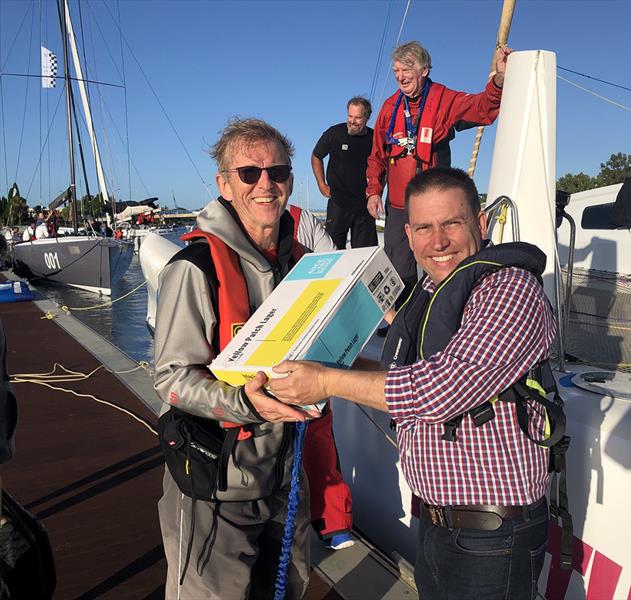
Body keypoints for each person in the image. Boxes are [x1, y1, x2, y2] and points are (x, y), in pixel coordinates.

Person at [271, 167, 557, 599]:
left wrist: (327, 381)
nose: (437, 241)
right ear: (408, 233)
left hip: (492, 537)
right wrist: (321, 365)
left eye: (452, 223)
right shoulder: (434, 289)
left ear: (481, 224)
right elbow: (406, 372)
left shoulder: (509, 289)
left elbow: (444, 387)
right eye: (424, 227)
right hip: (440, 529)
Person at [154, 117, 352, 599]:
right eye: (249, 173)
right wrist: (246, 402)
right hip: (217, 487)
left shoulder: (305, 268)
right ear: (224, 184)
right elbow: (171, 380)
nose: (266, 184)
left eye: (278, 172)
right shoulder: (193, 269)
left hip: (286, 481)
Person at [365, 41, 512, 311]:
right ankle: (401, 321)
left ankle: (449, 312)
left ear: (425, 70)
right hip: (399, 206)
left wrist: (500, 80)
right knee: (399, 266)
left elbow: (482, 107)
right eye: (396, 69)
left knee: (443, 258)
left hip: (434, 207)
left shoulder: (444, 99)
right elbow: (377, 156)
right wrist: (374, 191)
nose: (400, 75)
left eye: (407, 68)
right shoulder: (388, 108)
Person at [312, 97, 377, 249]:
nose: (352, 121)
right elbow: (316, 156)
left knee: (365, 252)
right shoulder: (334, 133)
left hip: (365, 206)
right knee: (333, 250)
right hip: (338, 203)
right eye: (350, 116)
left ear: (367, 117)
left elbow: (384, 166)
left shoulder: (374, 139)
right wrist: (321, 184)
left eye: (358, 117)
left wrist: (377, 191)